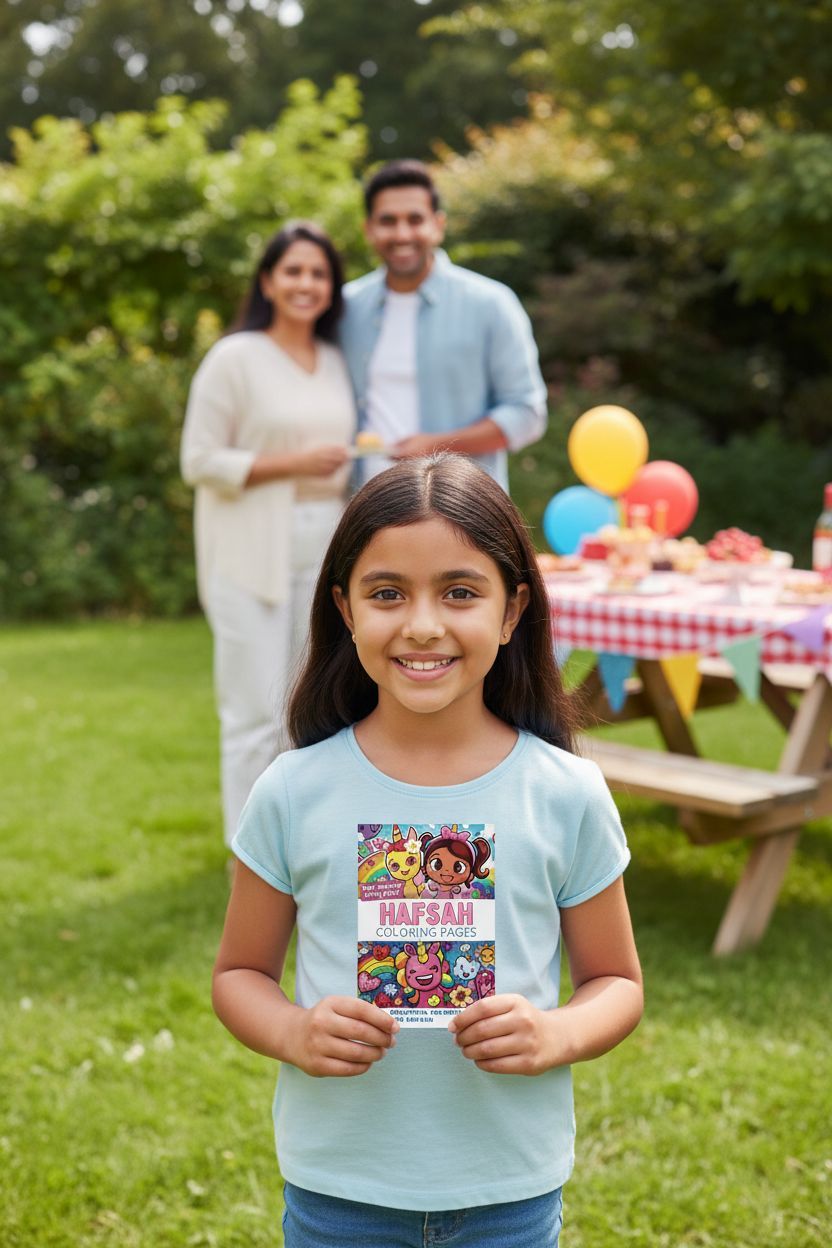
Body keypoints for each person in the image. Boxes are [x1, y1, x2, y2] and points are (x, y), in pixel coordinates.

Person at [213, 453, 643, 1247]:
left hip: (507, 1189)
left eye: (459, 591)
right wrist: (292, 1032)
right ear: (344, 607)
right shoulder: (293, 790)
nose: (421, 624)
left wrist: (556, 1034)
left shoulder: (564, 793)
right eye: (387, 594)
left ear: (513, 611)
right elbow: (239, 975)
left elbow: (615, 982)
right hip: (339, 1188)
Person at [181, 221, 355, 847]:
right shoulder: (235, 357)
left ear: (332, 288)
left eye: (319, 273)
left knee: (307, 705)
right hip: (248, 551)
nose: (306, 283)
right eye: (294, 271)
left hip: (324, 546)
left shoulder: (335, 360)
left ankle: (294, 847)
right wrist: (291, 464)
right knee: (253, 713)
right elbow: (197, 460)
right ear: (268, 282)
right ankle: (245, 856)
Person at [339, 158, 548, 491]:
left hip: (462, 514)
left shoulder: (491, 303)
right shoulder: (345, 307)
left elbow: (527, 415)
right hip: (365, 513)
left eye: (415, 219)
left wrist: (438, 447)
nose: (402, 233)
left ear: (438, 225)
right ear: (369, 229)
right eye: (388, 221)